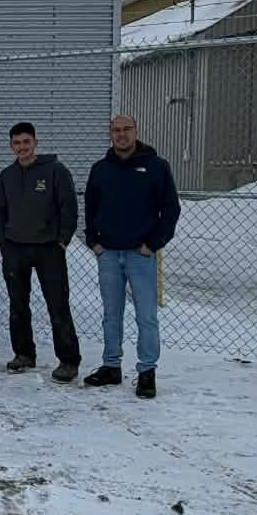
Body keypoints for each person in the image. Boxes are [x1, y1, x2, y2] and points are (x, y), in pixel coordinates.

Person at [84, 113, 181, 399]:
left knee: (146, 316)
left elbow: (171, 210)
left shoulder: (155, 167)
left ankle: (147, 371)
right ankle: (111, 365)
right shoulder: (100, 169)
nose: (122, 134)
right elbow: (90, 208)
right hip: (109, 255)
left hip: (141, 255)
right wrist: (94, 243)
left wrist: (153, 244)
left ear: (136, 131)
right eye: (116, 130)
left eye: (127, 129)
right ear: (109, 134)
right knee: (111, 314)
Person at [0, 121, 82, 378]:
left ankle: (68, 360)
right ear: (11, 146)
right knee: (18, 305)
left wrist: (63, 240)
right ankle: (24, 354)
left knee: (57, 305)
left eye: (26, 142)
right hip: (15, 250)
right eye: (17, 143)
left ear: (35, 143)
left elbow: (69, 207)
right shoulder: (6, 177)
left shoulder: (55, 171)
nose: (22, 147)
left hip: (48, 250)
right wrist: (3, 243)